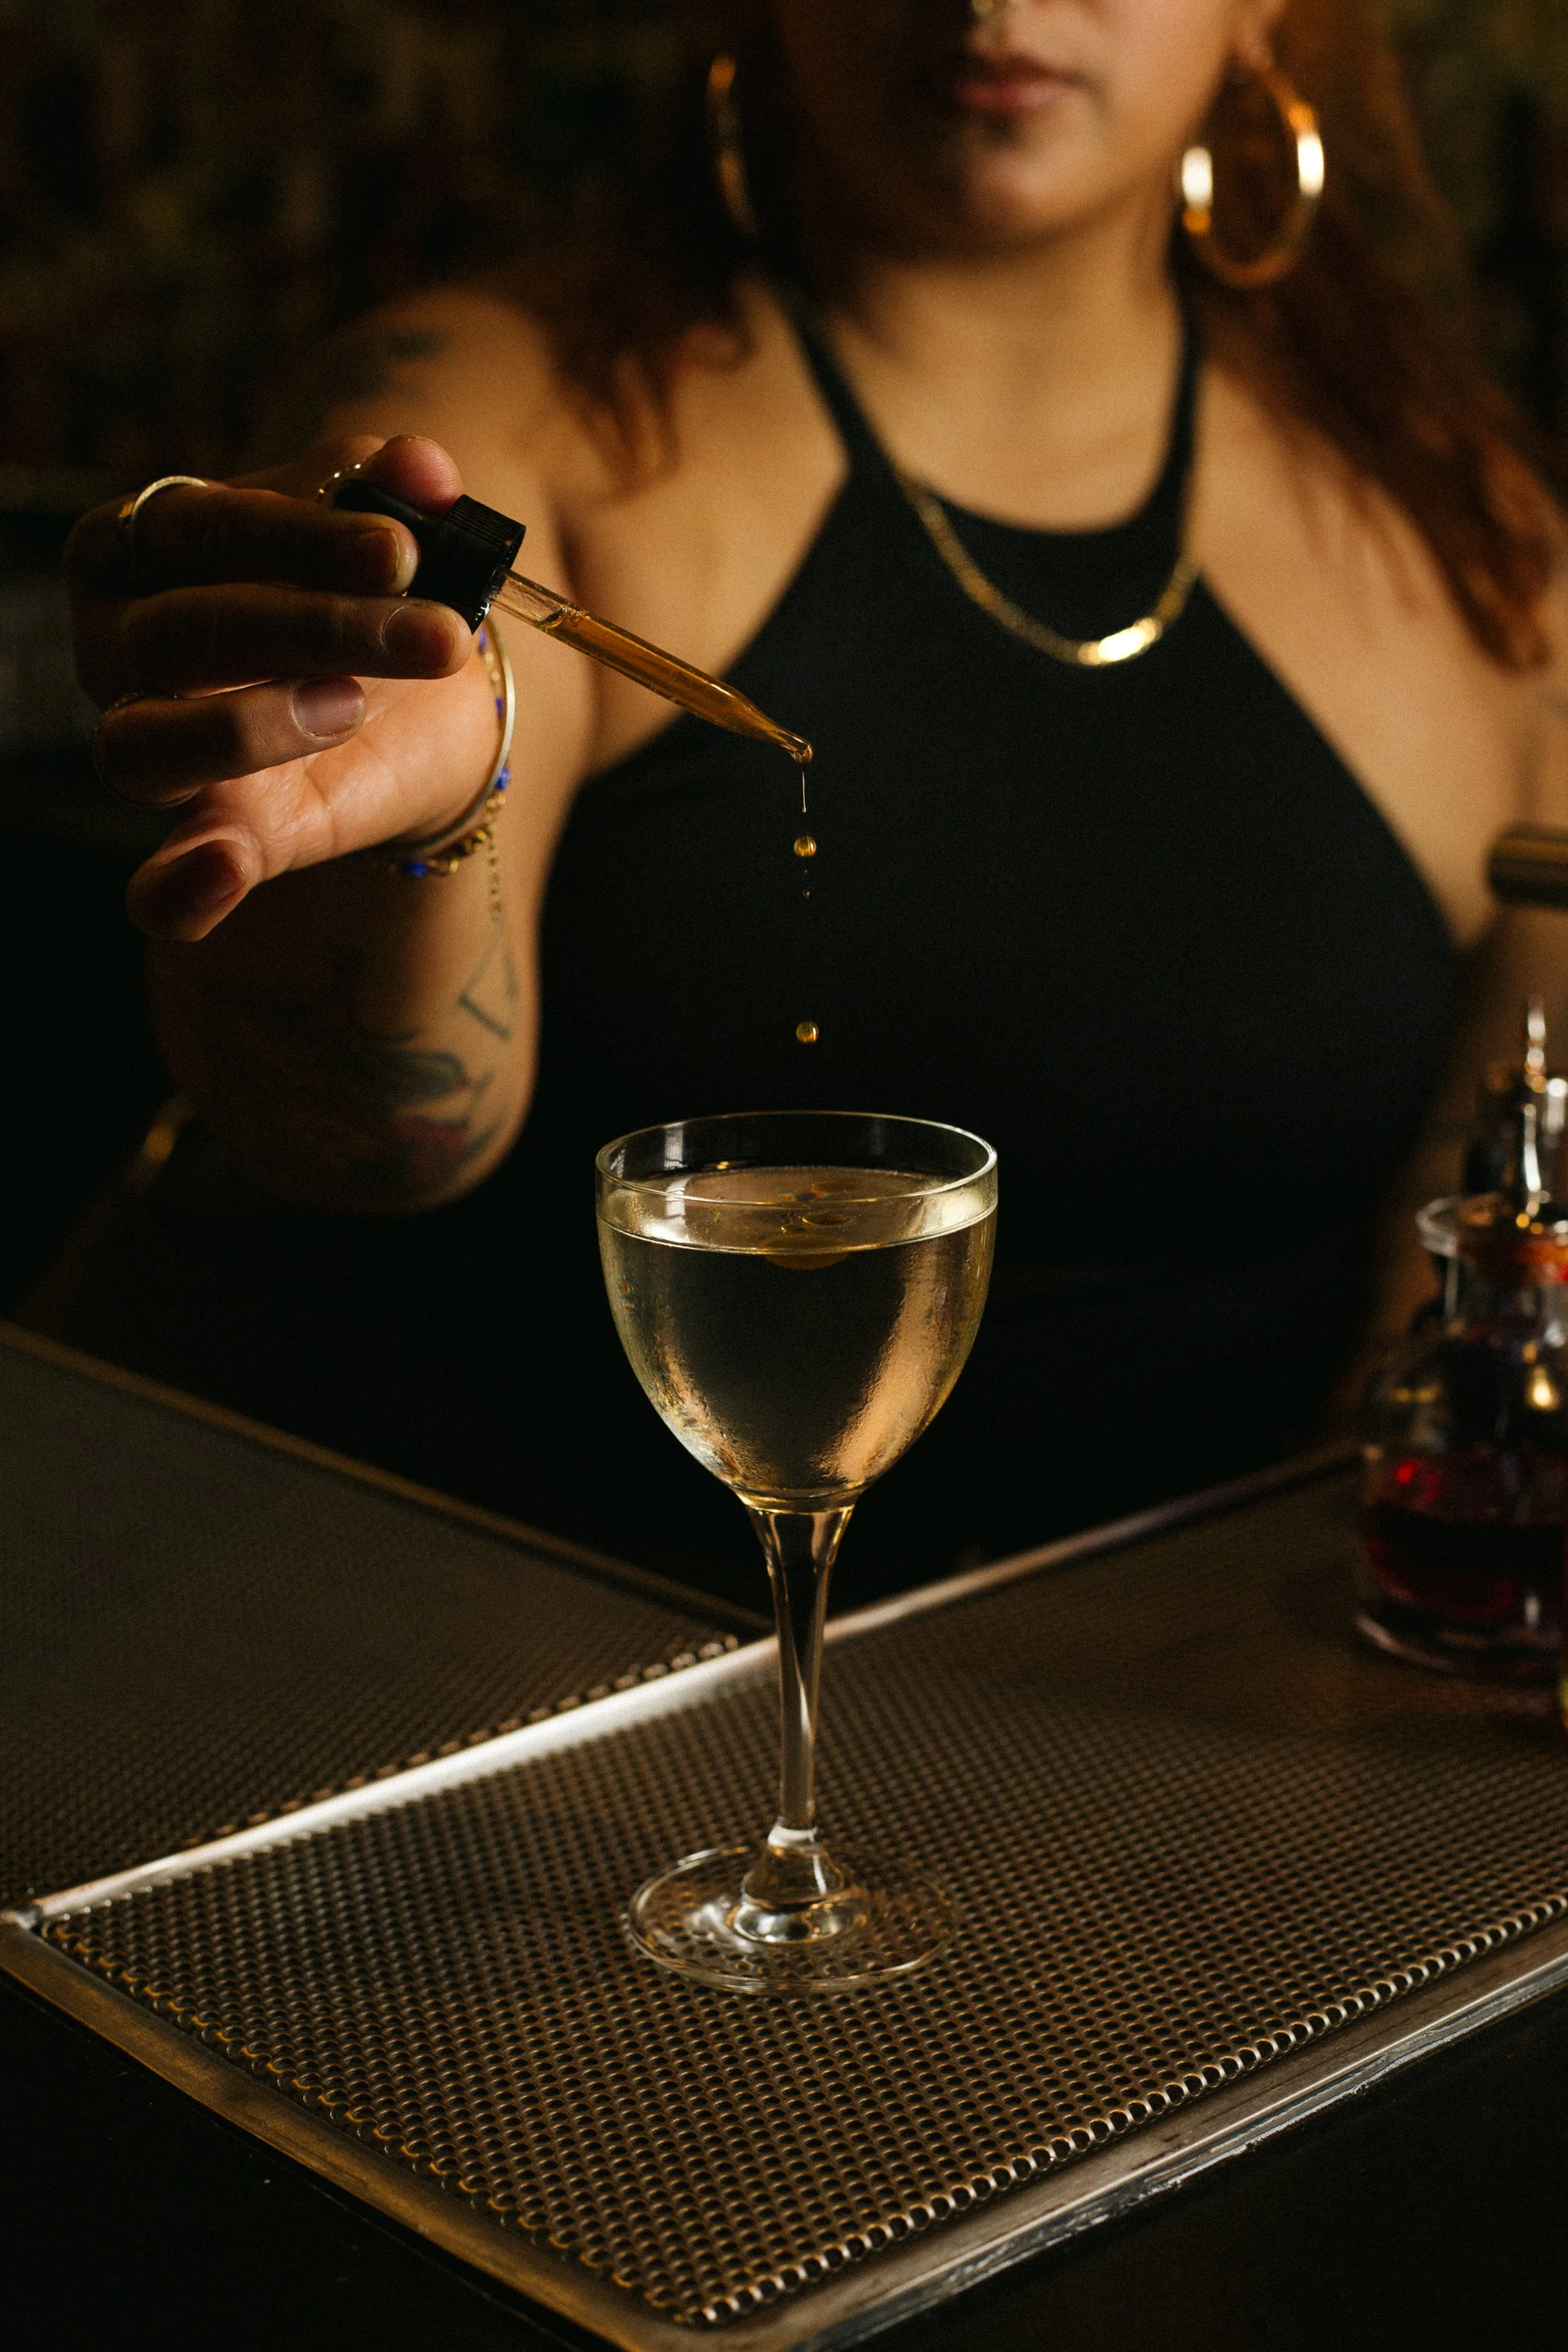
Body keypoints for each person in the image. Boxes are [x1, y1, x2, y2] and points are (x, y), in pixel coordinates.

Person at [58, 0, 1568, 1611]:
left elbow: (1491, 1268)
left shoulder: (1468, 544)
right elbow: (353, 1143)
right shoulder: (516, 415)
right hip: (491, 1709)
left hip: (1195, 1734)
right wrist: (419, 809)